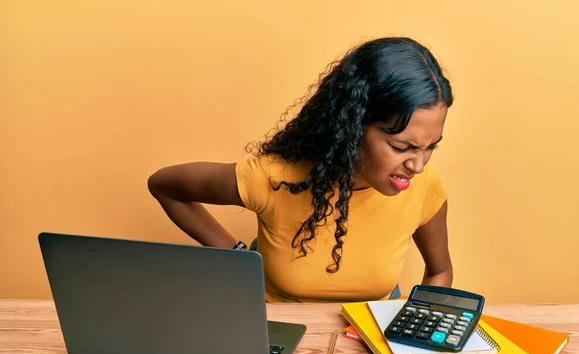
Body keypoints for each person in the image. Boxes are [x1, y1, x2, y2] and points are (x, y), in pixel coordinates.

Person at [148, 37, 454, 303]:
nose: (418, 165)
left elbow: (440, 271)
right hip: (278, 335)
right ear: (351, 127)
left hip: (368, 343)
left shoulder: (426, 185)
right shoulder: (273, 178)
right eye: (402, 147)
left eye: (431, 146)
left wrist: (416, 332)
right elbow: (165, 185)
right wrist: (237, 256)